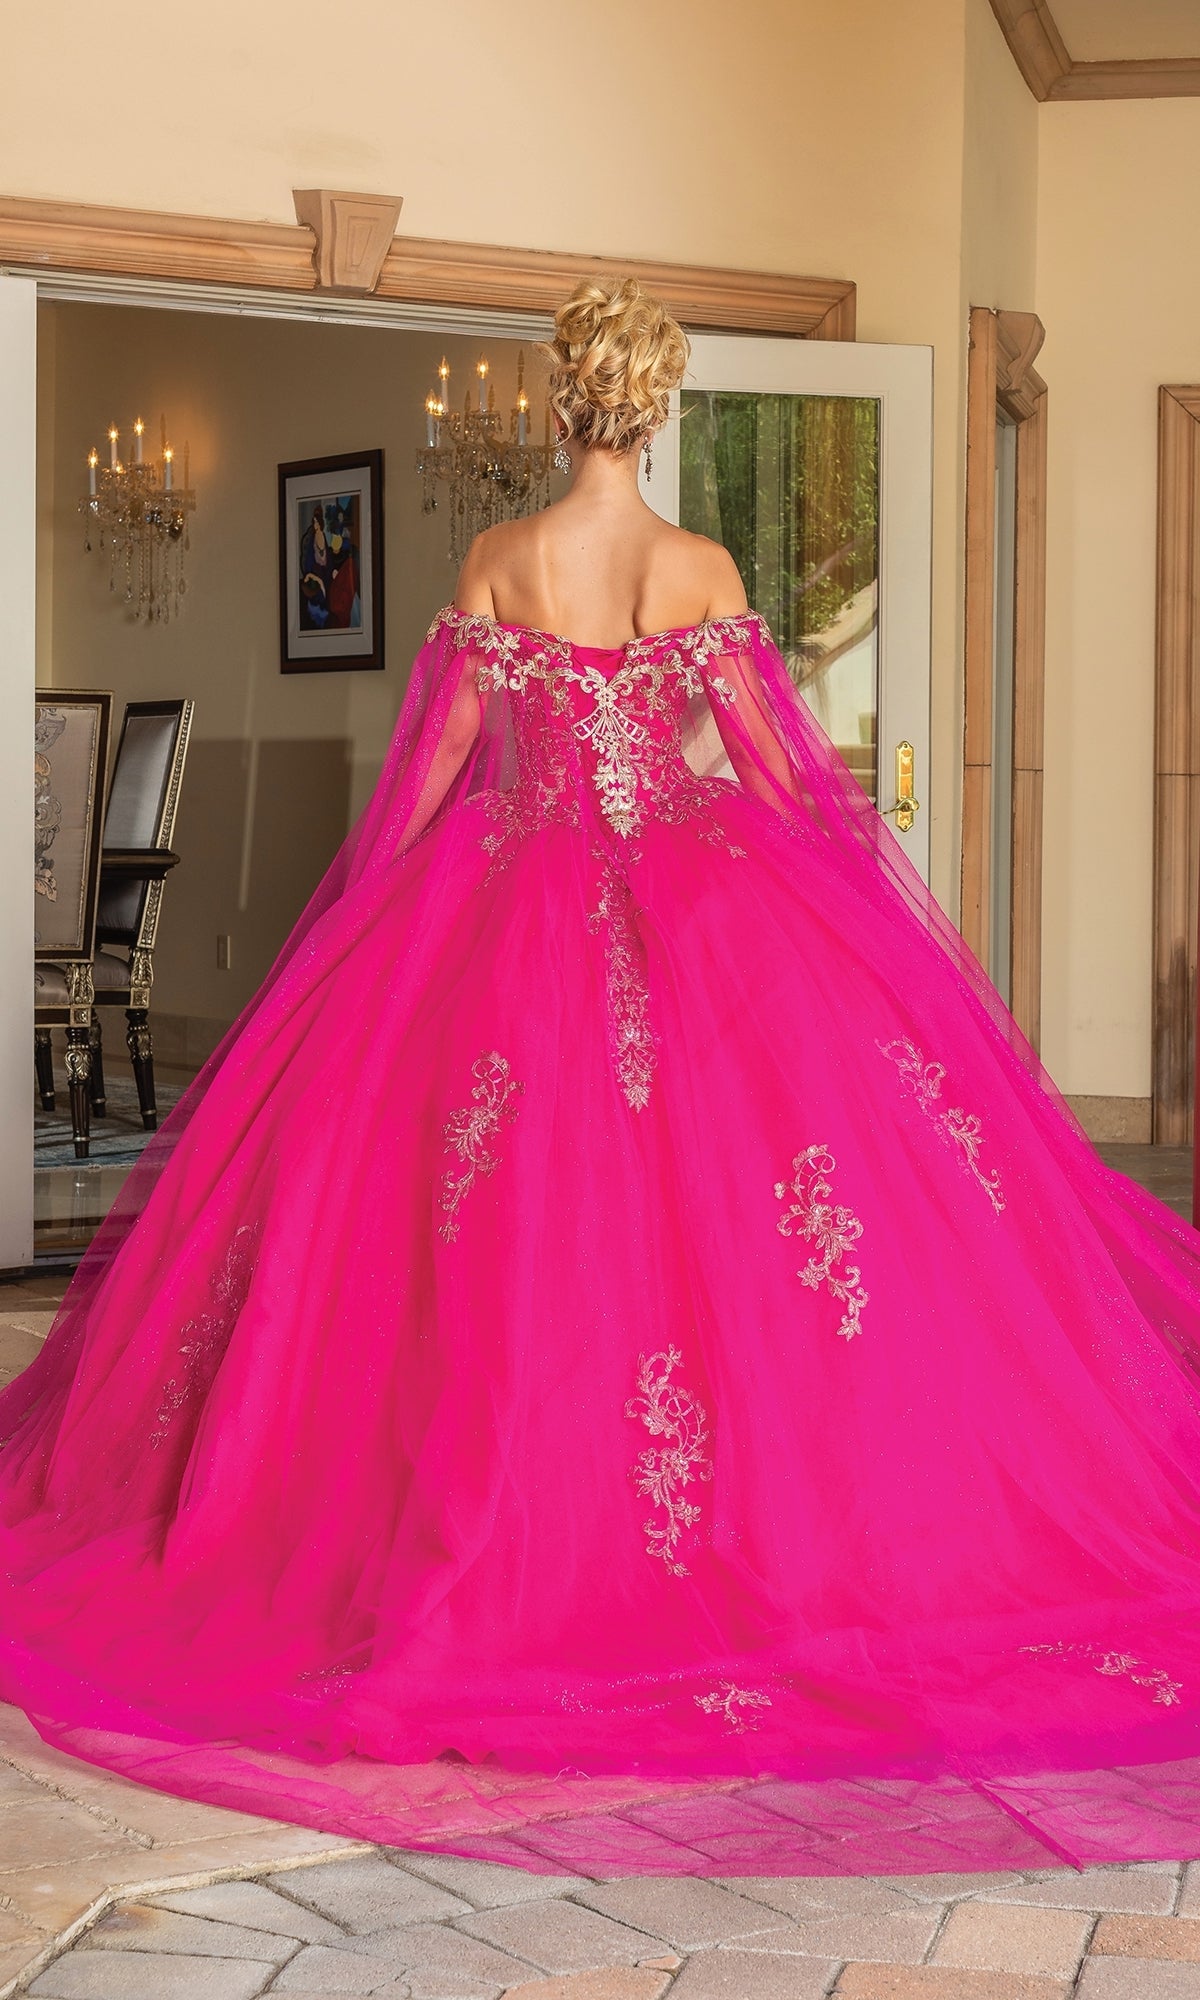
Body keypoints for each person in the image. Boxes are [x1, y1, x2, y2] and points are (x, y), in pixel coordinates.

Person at [5, 276, 1200, 1880]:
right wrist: (746, 820)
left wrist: (365, 931)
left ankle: (511, 1522)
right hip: (694, 904)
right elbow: (774, 773)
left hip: (510, 903)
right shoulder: (695, 564)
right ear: (658, 406)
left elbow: (433, 775)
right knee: (745, 1229)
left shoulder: (501, 559)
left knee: (499, 1229)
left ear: (566, 401)